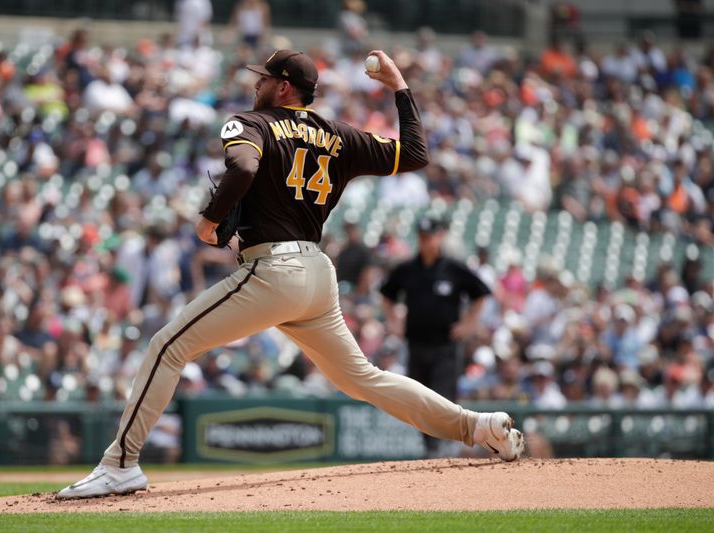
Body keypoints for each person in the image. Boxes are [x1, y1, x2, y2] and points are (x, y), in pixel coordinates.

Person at [58, 48, 524, 499]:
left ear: (283, 87)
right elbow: (417, 154)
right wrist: (400, 87)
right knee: (365, 378)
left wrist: (209, 218)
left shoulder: (251, 122)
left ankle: (120, 465)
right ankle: (478, 427)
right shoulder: (339, 135)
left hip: (273, 271)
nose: (255, 83)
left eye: (263, 78)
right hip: (317, 277)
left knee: (167, 347)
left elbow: (241, 166)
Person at [380, 217, 491, 456]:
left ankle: (444, 445)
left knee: (442, 396)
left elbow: (481, 293)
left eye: (429, 236)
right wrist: (394, 322)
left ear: (440, 236)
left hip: (445, 346)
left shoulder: (454, 268)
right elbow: (386, 294)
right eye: (421, 236)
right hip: (416, 344)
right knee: (420, 398)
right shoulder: (408, 269)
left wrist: (468, 324)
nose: (425, 241)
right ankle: (430, 447)